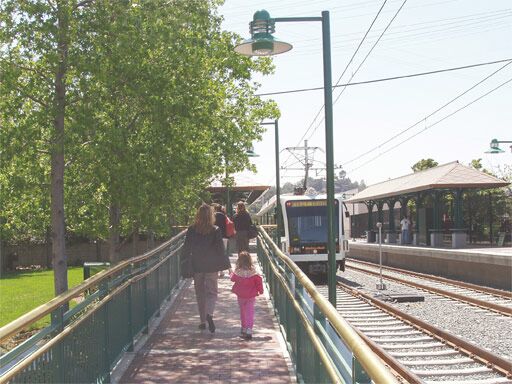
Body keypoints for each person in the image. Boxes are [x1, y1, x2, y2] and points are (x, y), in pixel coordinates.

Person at [182, 203, 231, 333]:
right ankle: (209, 313)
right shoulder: (215, 230)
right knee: (212, 292)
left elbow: (186, 248)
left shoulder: (192, 229)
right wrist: (226, 265)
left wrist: (184, 261)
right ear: (211, 216)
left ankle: (202, 321)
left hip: (197, 266)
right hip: (212, 266)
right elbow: (220, 250)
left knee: (200, 293)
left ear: (198, 215)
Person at [230, 251, 263, 340]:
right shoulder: (253, 272)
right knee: (250, 311)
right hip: (251, 295)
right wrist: (261, 290)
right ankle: (249, 329)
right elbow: (259, 281)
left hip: (241, 295)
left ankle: (243, 327)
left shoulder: (238, 271)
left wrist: (231, 273)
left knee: (242, 311)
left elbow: (232, 279)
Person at [213, 203, 229, 277]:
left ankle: (216, 270)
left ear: (215, 209)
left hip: (215, 237)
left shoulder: (213, 215)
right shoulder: (224, 216)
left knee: (215, 253)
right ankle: (223, 271)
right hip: (224, 237)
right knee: (223, 253)